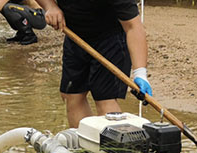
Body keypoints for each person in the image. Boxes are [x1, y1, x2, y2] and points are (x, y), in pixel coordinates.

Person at [35, 0, 152, 128]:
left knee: (105, 99)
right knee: (72, 96)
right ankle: (84, 145)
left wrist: (140, 73)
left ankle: (112, 147)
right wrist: (50, 6)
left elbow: (133, 26)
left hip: (111, 37)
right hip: (75, 34)